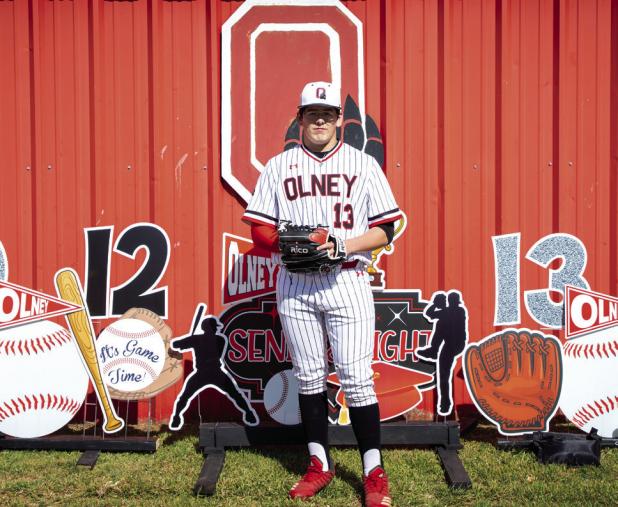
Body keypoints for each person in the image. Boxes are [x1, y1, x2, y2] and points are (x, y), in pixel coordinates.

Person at [242, 81, 402, 507]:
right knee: (309, 378)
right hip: (296, 282)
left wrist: (341, 246)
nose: (319, 120)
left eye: (327, 113)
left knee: (357, 380)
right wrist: (287, 243)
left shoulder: (363, 165)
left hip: (346, 279)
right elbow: (258, 226)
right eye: (311, 113)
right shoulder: (278, 166)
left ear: (338, 120)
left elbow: (386, 228)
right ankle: (319, 463)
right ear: (300, 119)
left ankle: (373, 471)